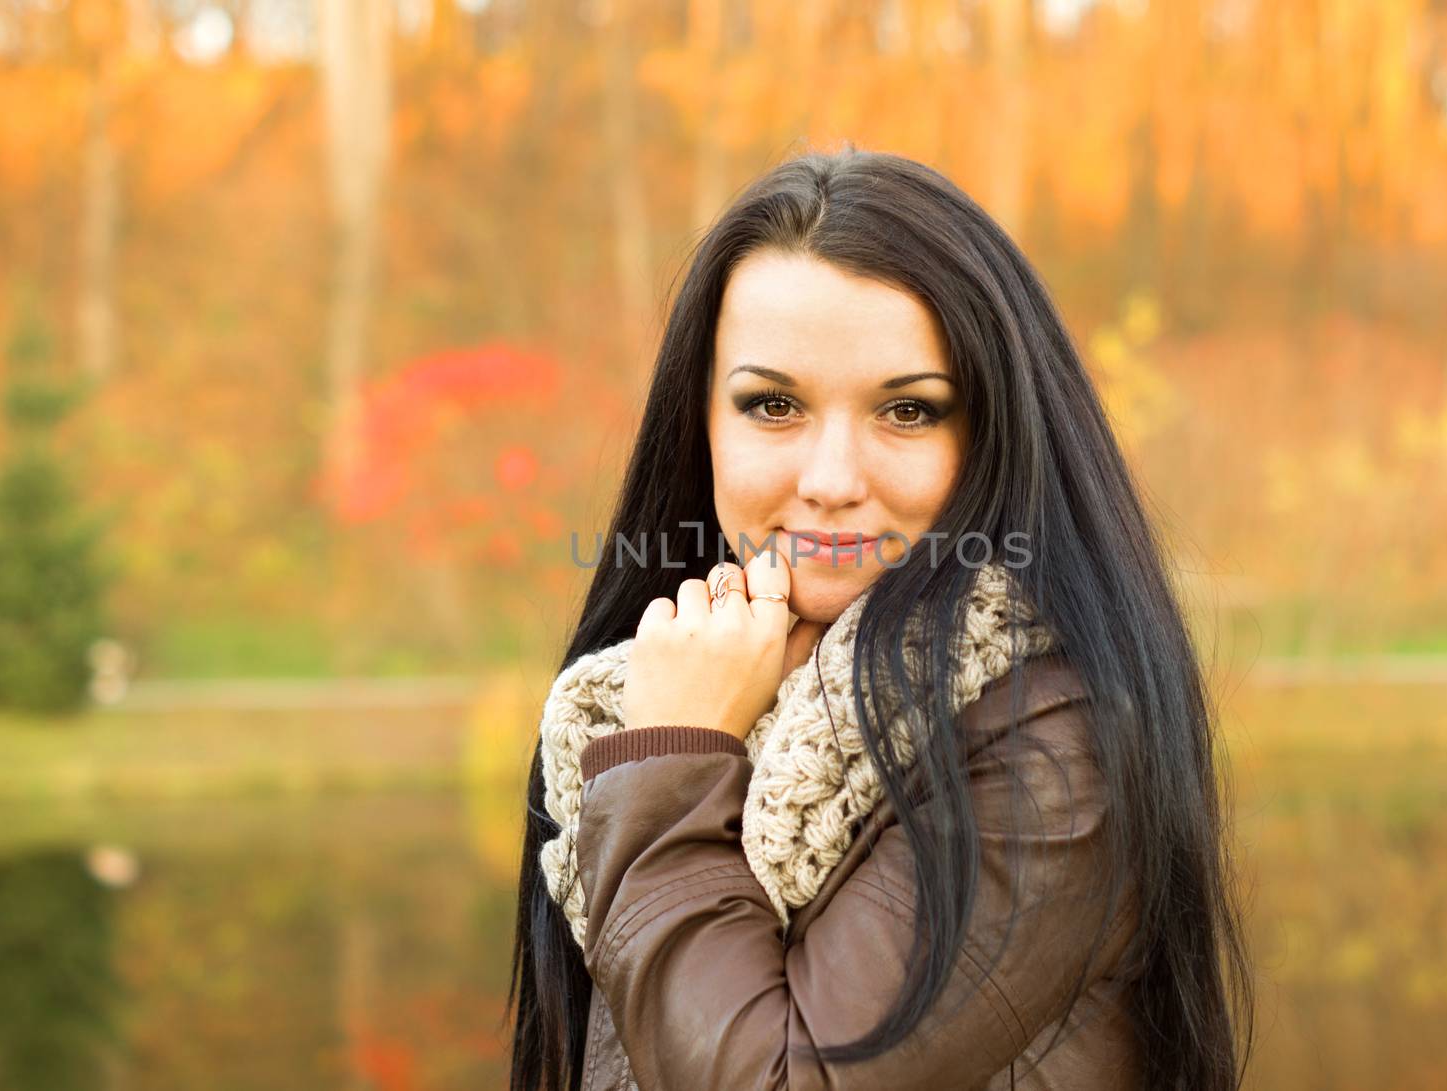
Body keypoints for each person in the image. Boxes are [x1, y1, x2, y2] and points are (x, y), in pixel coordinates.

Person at [508, 145, 1253, 1090]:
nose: (830, 482)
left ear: (992, 433)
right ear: (699, 424)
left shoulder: (1049, 745)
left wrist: (671, 760)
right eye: (772, 404)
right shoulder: (648, 700)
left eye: (907, 412)